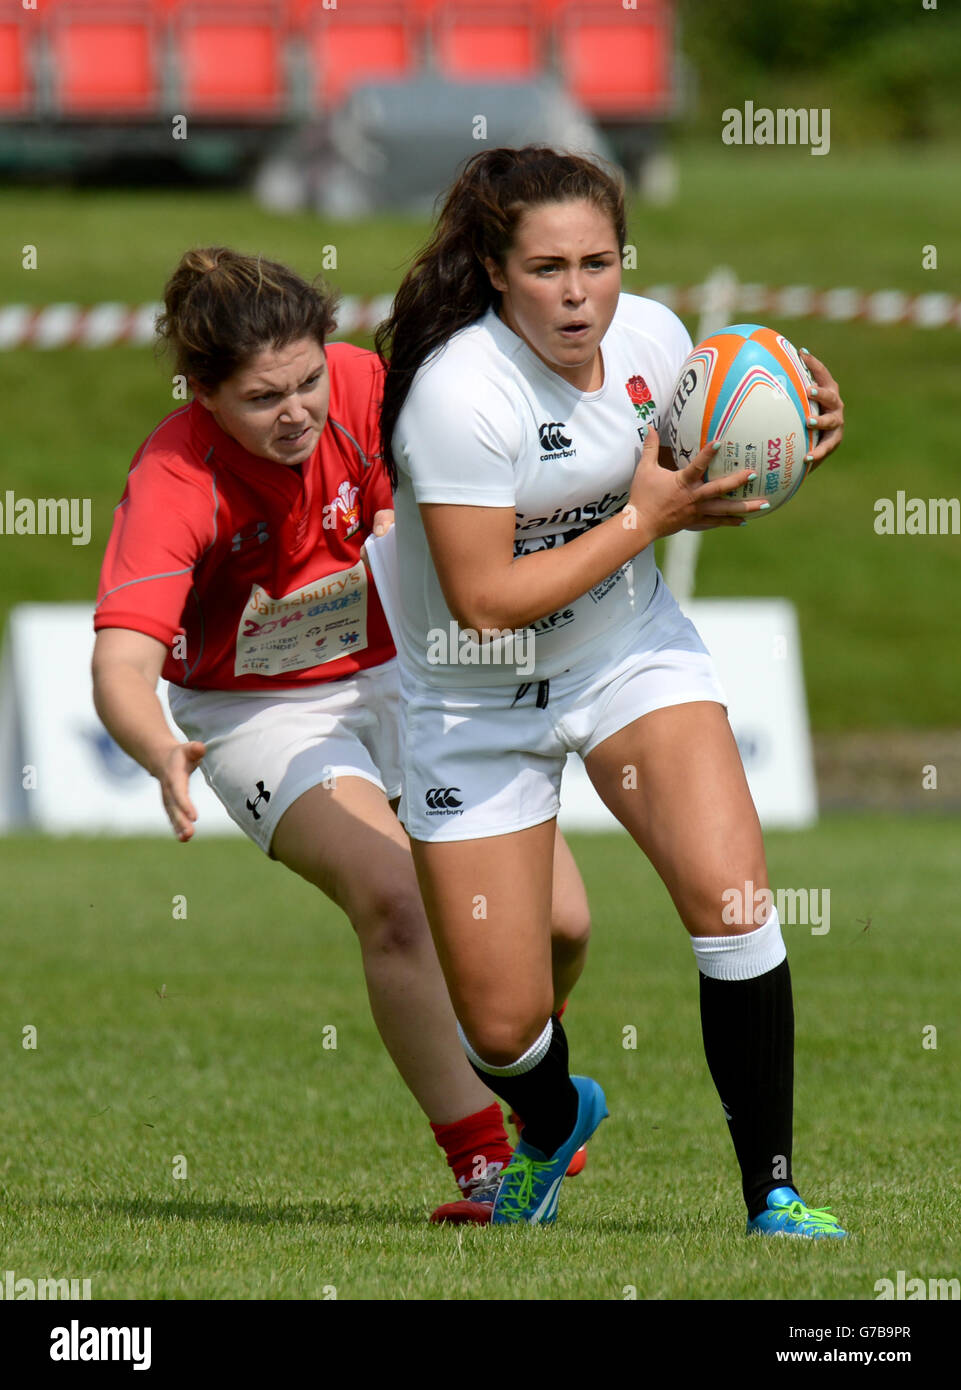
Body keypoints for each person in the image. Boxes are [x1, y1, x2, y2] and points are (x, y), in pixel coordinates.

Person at [375, 146, 848, 1233]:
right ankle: (550, 1121)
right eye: (546, 267)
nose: (578, 292)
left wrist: (785, 444)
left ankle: (772, 1192)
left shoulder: (656, 342)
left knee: (732, 901)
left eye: (598, 261)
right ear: (495, 269)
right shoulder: (458, 396)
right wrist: (644, 519)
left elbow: (700, 480)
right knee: (501, 1027)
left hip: (624, 652)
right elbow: (486, 599)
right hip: (472, 700)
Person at [90, 246, 594, 1225]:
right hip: (255, 711)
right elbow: (119, 662)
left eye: (308, 378)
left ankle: (538, 1089)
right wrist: (156, 746)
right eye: (260, 397)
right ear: (199, 393)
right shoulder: (172, 479)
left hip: (410, 665)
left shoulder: (368, 385)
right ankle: (488, 1168)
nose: (297, 412)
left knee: (559, 922)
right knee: (397, 898)